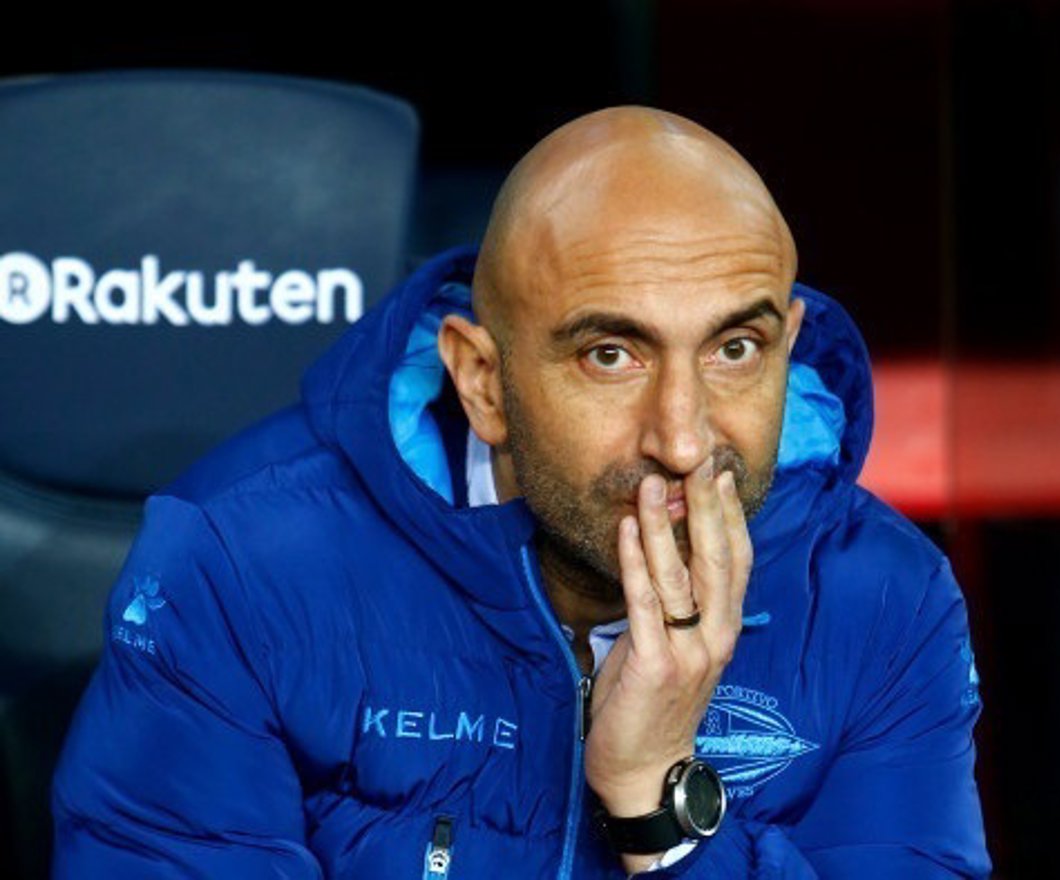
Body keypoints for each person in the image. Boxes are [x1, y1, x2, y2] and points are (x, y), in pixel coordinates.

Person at [52, 107, 991, 878]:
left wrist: (660, 803)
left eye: (734, 349)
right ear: (482, 382)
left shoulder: (885, 604)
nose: (683, 438)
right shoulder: (238, 568)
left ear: (785, 345)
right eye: (610, 356)